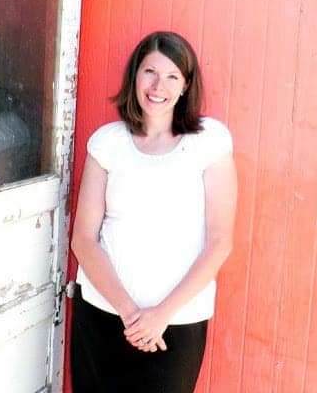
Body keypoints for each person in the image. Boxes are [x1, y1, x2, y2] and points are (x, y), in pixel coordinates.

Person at [70, 31, 237, 393]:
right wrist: (132, 315)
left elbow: (221, 240)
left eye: (172, 76)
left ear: (185, 85)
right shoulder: (107, 143)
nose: (158, 85)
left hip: (175, 323)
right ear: (135, 77)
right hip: (103, 314)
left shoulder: (209, 142)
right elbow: (84, 239)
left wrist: (159, 317)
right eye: (149, 72)